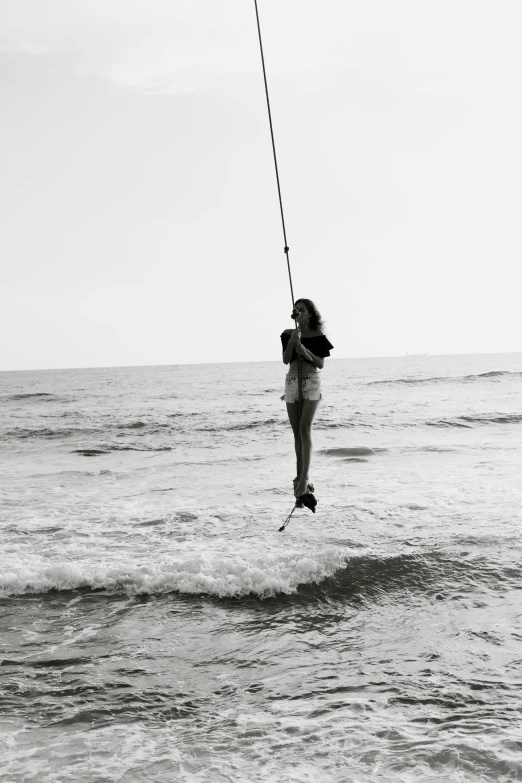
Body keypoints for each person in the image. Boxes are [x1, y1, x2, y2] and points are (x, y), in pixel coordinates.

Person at [281, 299, 333, 501]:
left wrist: (305, 351)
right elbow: (286, 359)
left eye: (302, 310)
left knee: (304, 429)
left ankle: (304, 479)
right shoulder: (288, 333)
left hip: (311, 381)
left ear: (310, 313)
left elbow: (320, 364)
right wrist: (294, 342)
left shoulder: (318, 336)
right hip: (292, 381)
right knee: (296, 434)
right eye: (296, 310)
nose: (298, 313)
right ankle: (299, 479)